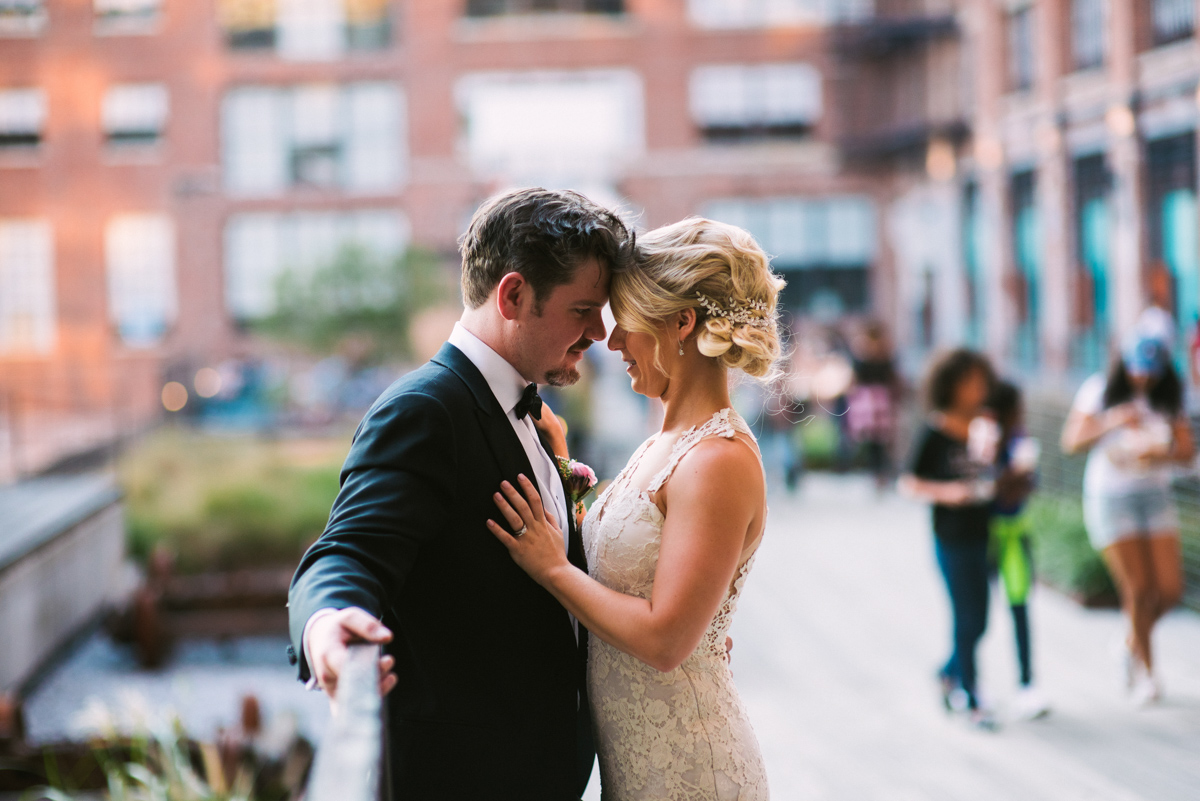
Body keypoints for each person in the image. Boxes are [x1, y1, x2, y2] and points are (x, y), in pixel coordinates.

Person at [287, 187, 632, 800]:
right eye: (583, 309)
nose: (600, 333)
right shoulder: (425, 411)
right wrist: (327, 627)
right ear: (514, 295)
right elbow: (347, 553)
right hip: (465, 779)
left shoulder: (529, 411)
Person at [487, 217, 780, 800]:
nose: (611, 341)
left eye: (627, 321)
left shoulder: (717, 459)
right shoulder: (663, 441)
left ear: (681, 322)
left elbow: (667, 641)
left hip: (692, 770)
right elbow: (631, 567)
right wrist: (561, 469)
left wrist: (551, 569)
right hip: (640, 765)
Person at [1060, 334, 1194, 705]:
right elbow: (1071, 441)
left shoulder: (1167, 396)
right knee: (1137, 590)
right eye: (1137, 369)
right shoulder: (1100, 390)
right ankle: (1148, 675)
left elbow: (1185, 450)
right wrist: (1114, 419)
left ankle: (1128, 642)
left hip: (1153, 493)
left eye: (1151, 371)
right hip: (1111, 496)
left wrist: (1157, 455)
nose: (1143, 379)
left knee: (1168, 590)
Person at [899, 348, 997, 729]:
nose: (977, 388)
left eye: (980, 381)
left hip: (984, 533)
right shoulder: (935, 430)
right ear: (951, 385)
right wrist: (948, 493)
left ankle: (947, 672)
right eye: (969, 382)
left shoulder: (985, 426)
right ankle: (971, 695)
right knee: (966, 616)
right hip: (951, 536)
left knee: (981, 619)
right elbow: (908, 483)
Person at [987, 380, 1051, 720]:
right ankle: (961, 676)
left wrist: (1015, 480)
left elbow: (1027, 483)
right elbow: (988, 484)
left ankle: (1027, 683)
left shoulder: (1019, 439)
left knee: (1019, 606)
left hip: (1014, 533)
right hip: (983, 535)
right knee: (975, 613)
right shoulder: (983, 437)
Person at [848, 321, 901, 491]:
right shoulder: (861, 355)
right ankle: (876, 474)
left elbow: (892, 378)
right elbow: (855, 379)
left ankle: (882, 472)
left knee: (882, 438)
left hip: (880, 400)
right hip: (867, 400)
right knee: (871, 439)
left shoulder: (885, 355)